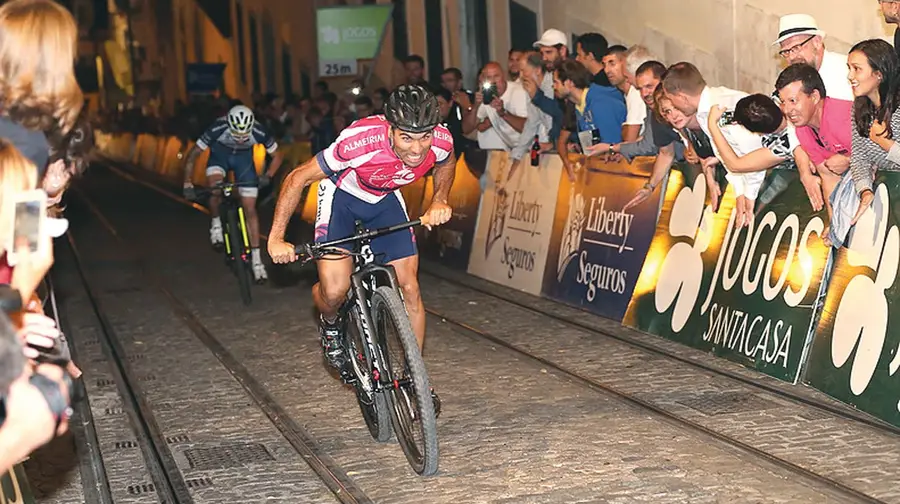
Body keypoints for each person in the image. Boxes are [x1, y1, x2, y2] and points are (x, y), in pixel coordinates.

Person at [267, 85, 454, 413]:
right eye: (406, 138)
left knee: (409, 285)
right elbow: (297, 178)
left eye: (424, 136)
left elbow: (447, 162)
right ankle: (330, 326)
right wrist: (276, 238)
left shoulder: (440, 140)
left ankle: (415, 378)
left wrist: (439, 198)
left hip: (383, 200)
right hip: (342, 199)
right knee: (335, 290)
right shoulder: (359, 141)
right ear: (390, 129)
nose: (417, 148)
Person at [182, 105, 284, 282]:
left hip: (244, 163)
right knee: (215, 190)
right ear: (229, 125)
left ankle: (257, 262)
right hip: (219, 158)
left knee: (250, 210)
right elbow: (193, 154)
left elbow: (278, 155)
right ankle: (216, 225)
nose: (241, 138)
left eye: (245, 135)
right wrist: (187, 182)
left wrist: (268, 175)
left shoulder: (259, 131)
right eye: (237, 134)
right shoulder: (217, 127)